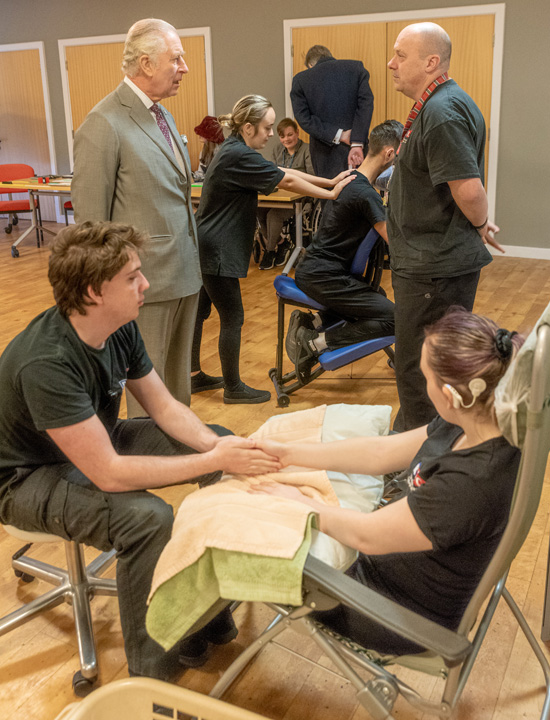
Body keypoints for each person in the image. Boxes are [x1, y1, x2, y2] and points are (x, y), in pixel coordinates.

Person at [0, 222, 280, 680]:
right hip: (27, 478)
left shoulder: (118, 326)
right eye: (132, 277)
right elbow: (109, 474)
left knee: (219, 438)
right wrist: (213, 459)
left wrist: (217, 448)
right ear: (94, 292)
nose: (145, 284)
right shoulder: (46, 362)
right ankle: (154, 679)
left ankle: (203, 614)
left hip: (95, 440)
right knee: (147, 519)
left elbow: (166, 408)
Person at [252, 307, 523, 654]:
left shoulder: (471, 483)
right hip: (393, 578)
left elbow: (368, 536)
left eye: (426, 378)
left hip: (395, 613)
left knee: (263, 548)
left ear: (453, 395)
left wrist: (296, 503)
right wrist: (289, 454)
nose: (423, 386)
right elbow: (381, 452)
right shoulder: (477, 417)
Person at [72, 18, 200, 418]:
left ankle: (178, 453)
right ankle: (148, 464)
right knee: (149, 394)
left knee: (178, 386)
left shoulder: (163, 116)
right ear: (146, 64)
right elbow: (91, 226)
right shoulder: (104, 122)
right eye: (176, 59)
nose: (184, 68)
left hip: (183, 274)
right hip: (144, 285)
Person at [191, 94, 355, 405]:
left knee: (200, 312)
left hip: (207, 242)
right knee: (233, 316)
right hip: (217, 247)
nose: (270, 134)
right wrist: (331, 195)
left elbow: (286, 173)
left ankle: (194, 375)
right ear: (249, 127)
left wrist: (328, 181)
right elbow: (287, 182)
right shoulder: (239, 155)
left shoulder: (236, 149)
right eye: (267, 128)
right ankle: (233, 388)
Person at [385, 22, 505, 432]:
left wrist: (480, 220)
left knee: (421, 373)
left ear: (431, 62)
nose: (391, 63)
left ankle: (417, 464)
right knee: (427, 368)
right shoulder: (441, 104)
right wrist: (478, 223)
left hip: (431, 266)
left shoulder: (440, 112)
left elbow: (468, 189)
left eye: (401, 55)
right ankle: (418, 442)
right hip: (430, 261)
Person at [285, 120, 402, 384]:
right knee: (397, 318)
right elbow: (394, 242)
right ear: (389, 154)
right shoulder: (366, 195)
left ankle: (313, 322)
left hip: (314, 270)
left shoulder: (350, 179)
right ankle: (315, 342)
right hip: (323, 277)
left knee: (377, 296)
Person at [290, 45, 374, 178]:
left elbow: (304, 119)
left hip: (324, 155)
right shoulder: (356, 68)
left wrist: (340, 135)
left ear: (311, 64)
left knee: (329, 195)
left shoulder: (301, 80)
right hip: (358, 151)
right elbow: (366, 105)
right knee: (361, 192)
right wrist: (356, 141)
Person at [257, 117, 314, 270]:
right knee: (259, 210)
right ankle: (282, 243)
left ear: (297, 132)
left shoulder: (307, 150)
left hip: (300, 199)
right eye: (283, 136)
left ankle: (269, 252)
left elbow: (313, 178)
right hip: (279, 196)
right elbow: (272, 175)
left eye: (290, 135)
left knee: (273, 215)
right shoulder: (277, 150)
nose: (286, 139)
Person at [192, 115, 225, 182]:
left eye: (203, 132)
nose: (199, 135)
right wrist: (192, 175)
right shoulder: (203, 153)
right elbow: (201, 173)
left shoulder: (222, 152)